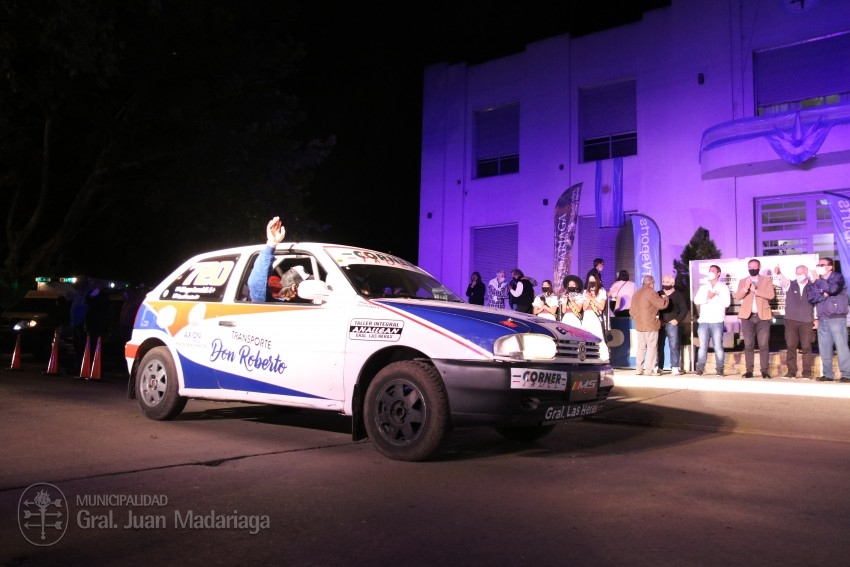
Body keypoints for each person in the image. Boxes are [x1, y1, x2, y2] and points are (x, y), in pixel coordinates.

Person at [805, 257, 850, 382]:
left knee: (841, 346)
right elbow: (811, 298)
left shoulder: (837, 278)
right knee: (824, 347)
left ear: (829, 267)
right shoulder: (816, 281)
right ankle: (827, 374)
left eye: (822, 264)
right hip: (822, 317)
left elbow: (832, 290)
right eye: (818, 264)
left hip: (836, 317)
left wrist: (820, 283)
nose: (819, 266)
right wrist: (823, 294)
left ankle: (847, 374)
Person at [247, 216, 308, 303]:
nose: (296, 290)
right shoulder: (277, 305)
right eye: (298, 286)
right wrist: (271, 244)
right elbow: (256, 286)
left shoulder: (311, 304)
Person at [733, 258, 776, 379]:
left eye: (754, 267)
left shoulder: (766, 280)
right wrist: (746, 288)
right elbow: (738, 296)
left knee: (763, 344)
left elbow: (771, 295)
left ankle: (764, 370)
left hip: (763, 316)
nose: (752, 269)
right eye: (750, 267)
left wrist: (756, 290)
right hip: (747, 317)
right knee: (748, 345)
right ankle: (749, 370)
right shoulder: (743, 281)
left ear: (759, 267)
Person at [774, 264, 815, 379]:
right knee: (791, 347)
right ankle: (791, 372)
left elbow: (816, 303)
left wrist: (815, 319)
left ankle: (806, 373)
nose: (798, 275)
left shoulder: (812, 286)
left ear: (806, 274)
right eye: (797, 273)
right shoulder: (790, 284)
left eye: (801, 273)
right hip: (791, 320)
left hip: (807, 321)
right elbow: (783, 281)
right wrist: (778, 273)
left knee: (806, 347)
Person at [693, 265, 731, 376]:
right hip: (704, 321)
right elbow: (696, 300)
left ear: (718, 273)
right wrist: (707, 296)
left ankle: (720, 369)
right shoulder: (704, 287)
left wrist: (717, 295)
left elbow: (727, 303)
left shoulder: (723, 287)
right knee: (703, 346)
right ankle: (700, 368)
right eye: (709, 271)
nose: (711, 273)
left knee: (718, 346)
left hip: (717, 320)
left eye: (713, 271)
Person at [631, 275, 669, 375]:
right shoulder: (651, 292)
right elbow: (662, 305)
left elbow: (631, 311)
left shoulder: (636, 293)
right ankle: (649, 370)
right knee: (652, 347)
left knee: (641, 347)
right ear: (651, 283)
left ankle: (639, 369)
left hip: (639, 324)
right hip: (650, 324)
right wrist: (666, 298)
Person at [656, 274, 689, 375]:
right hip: (660, 324)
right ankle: (659, 367)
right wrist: (658, 319)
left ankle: (675, 366)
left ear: (672, 283)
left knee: (674, 345)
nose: (664, 284)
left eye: (667, 282)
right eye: (663, 282)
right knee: (659, 346)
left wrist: (677, 320)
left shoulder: (678, 295)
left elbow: (684, 310)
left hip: (672, 324)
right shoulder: (658, 294)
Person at [581, 268, 609, 361]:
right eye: (589, 281)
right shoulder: (586, 292)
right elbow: (584, 308)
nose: (591, 282)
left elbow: (601, 307)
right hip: (587, 316)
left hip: (596, 316)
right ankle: (588, 356)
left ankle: (603, 357)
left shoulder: (602, 291)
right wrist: (588, 297)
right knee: (585, 337)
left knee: (598, 336)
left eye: (593, 280)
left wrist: (592, 298)